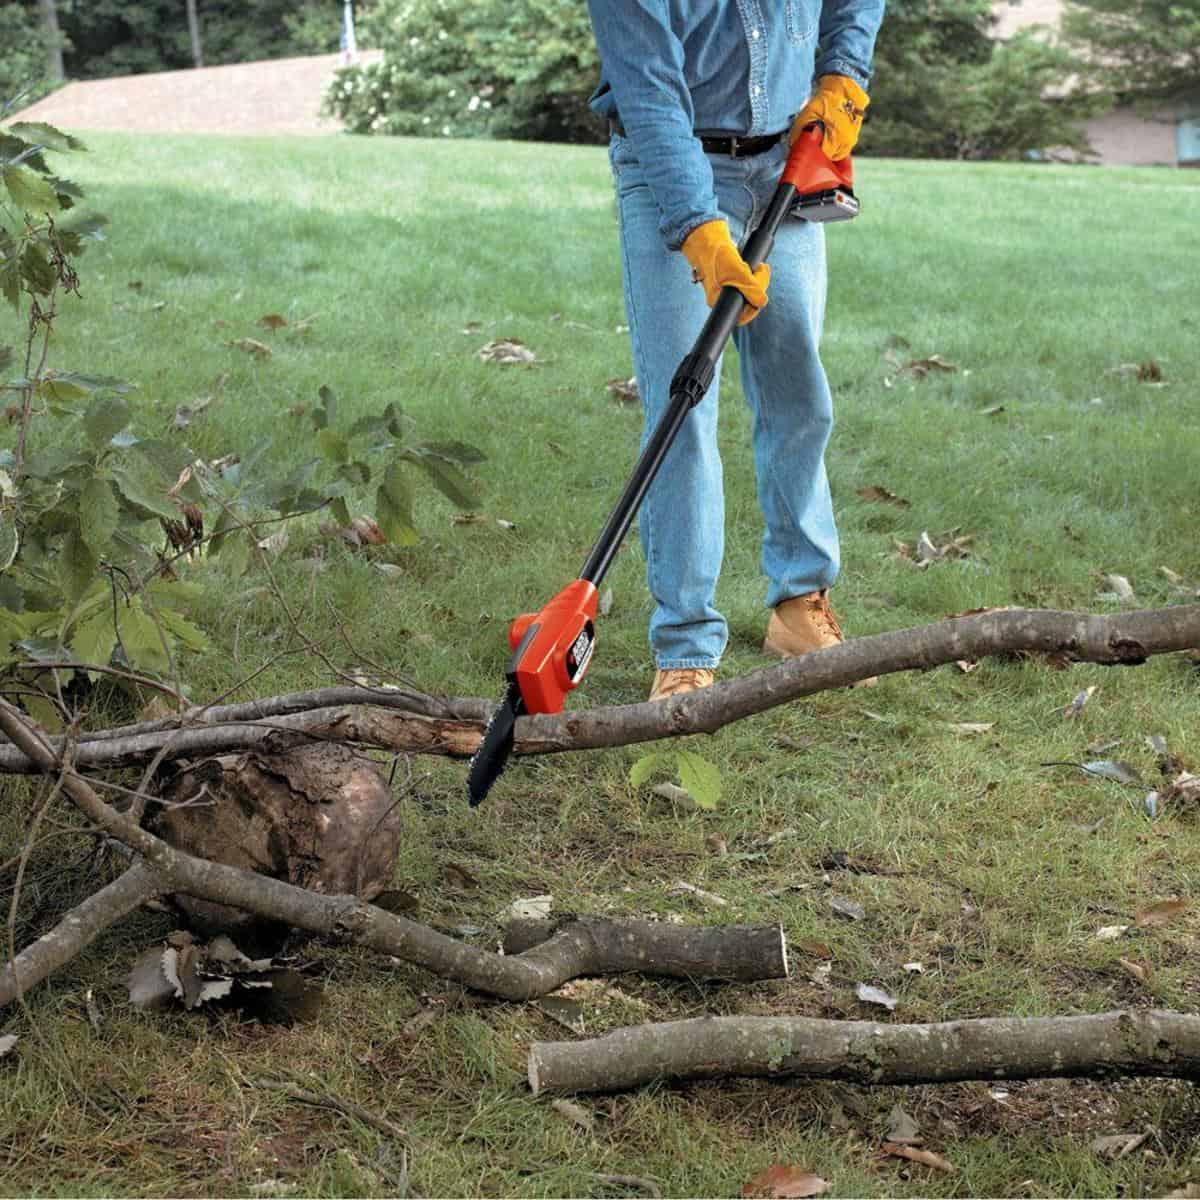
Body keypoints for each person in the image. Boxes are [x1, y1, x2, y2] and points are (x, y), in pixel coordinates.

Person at [584, 1, 886, 701]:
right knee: (682, 407)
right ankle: (686, 642)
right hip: (671, 162)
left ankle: (798, 604)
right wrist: (699, 231)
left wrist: (842, 74)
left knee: (797, 391)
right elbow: (651, 95)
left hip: (788, 161)